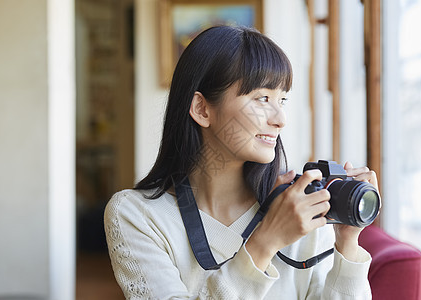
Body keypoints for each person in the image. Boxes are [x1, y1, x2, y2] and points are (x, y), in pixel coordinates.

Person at [104, 25, 377, 299]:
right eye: (262, 98)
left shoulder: (301, 206)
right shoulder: (136, 215)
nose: (280, 119)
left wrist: (347, 244)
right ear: (201, 109)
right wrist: (265, 241)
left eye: (282, 99)